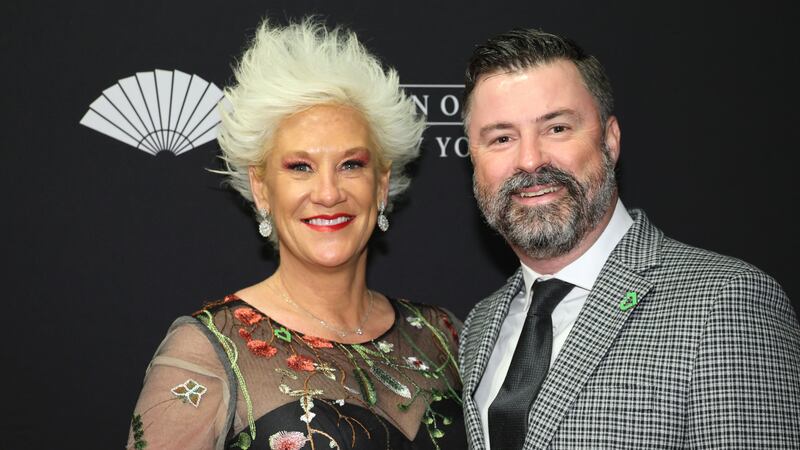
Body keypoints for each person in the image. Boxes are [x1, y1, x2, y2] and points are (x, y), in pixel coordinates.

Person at [126, 19, 465, 450]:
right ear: (262, 187)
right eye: (300, 167)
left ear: (381, 185)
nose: (328, 193)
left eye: (351, 164)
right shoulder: (210, 350)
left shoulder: (442, 334)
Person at [458, 28, 800, 449]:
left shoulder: (724, 301)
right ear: (474, 159)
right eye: (502, 138)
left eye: (558, 128)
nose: (530, 160)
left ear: (610, 140)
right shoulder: (480, 324)